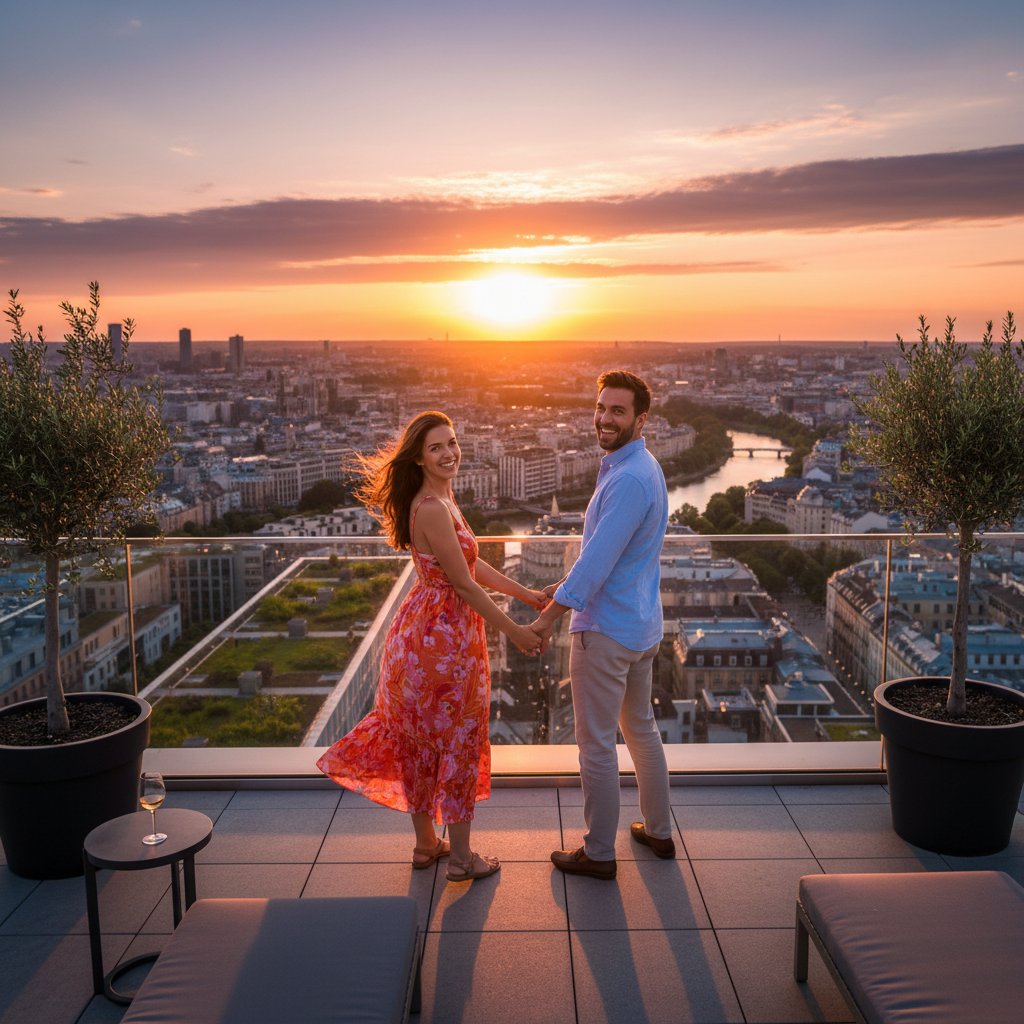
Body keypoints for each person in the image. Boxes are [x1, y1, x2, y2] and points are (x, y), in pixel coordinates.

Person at [317, 411, 545, 882]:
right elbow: (463, 584)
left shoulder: (440, 498)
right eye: (437, 447)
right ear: (418, 458)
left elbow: (469, 565)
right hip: (446, 642)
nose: (449, 453)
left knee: (418, 741)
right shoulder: (435, 507)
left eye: (453, 443)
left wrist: (526, 594)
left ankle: (427, 845)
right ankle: (461, 859)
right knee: (457, 742)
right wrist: (516, 630)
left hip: (424, 635)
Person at [530, 370, 674, 880]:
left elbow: (596, 564)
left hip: (607, 631)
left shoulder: (629, 478)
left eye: (617, 410)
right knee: (641, 730)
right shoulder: (642, 467)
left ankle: (598, 851)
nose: (605, 418)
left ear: (641, 419)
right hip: (639, 625)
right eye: (601, 407)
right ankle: (658, 830)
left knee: (595, 745)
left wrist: (548, 618)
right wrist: (561, 587)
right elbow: (606, 557)